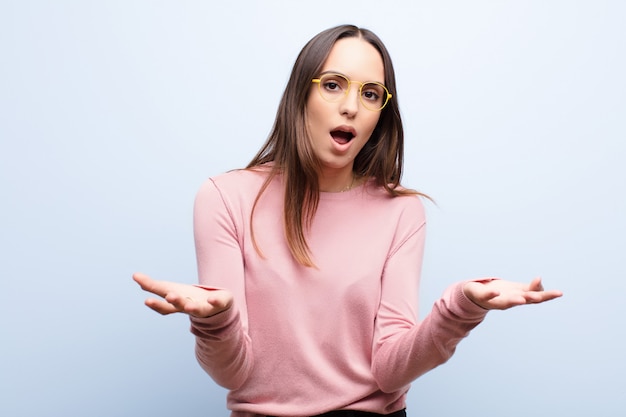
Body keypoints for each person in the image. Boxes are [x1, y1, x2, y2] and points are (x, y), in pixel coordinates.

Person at [133, 24, 562, 417]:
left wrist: (461, 308)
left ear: (380, 115)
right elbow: (233, 376)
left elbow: (390, 371)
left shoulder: (400, 212)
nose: (352, 107)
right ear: (301, 93)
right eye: (333, 86)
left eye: (371, 93)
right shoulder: (225, 197)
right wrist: (215, 321)